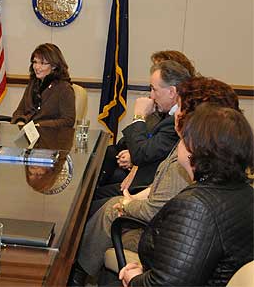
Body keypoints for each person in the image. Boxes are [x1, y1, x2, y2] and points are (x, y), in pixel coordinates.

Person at [70, 77, 241, 286]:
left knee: (108, 213)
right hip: (160, 225)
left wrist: (127, 205)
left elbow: (168, 275)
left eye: (180, 107)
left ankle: (75, 274)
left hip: (155, 233)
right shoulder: (228, 177)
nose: (175, 113)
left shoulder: (197, 202)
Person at [120, 104, 253, 286]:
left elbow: (166, 284)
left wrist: (134, 279)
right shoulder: (245, 191)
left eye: (183, 138)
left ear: (194, 148)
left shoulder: (196, 207)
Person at [94, 59, 193, 208]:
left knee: (88, 202)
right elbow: (134, 144)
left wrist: (139, 115)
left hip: (145, 189)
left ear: (172, 92)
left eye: (154, 89)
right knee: (92, 193)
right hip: (141, 181)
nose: (151, 96)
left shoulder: (177, 121)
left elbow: (140, 154)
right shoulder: (166, 114)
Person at [10, 43, 75, 127]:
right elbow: (19, 111)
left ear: (54, 66)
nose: (37, 67)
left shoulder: (64, 88)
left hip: (51, 137)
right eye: (35, 62)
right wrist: (20, 121)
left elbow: (68, 120)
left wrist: (39, 125)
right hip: (28, 134)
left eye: (42, 63)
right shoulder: (33, 84)